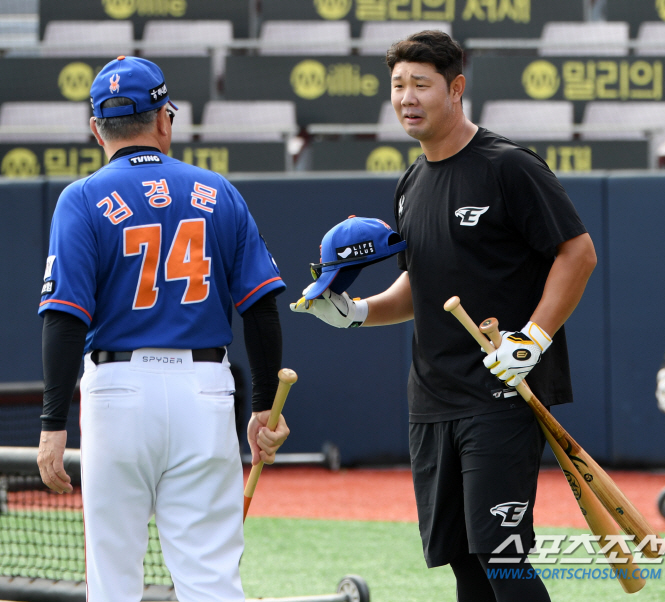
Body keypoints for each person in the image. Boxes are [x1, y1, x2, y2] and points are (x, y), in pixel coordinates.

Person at [291, 31, 597, 602]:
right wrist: (357, 312)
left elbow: (577, 253)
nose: (406, 97)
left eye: (420, 84)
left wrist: (532, 339)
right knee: (461, 560)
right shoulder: (411, 184)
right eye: (398, 86)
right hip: (432, 400)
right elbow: (419, 286)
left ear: (456, 89)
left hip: (503, 394)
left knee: (500, 556)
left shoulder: (510, 167)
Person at [36, 56, 290, 602]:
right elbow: (261, 306)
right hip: (204, 391)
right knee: (211, 578)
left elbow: (63, 316)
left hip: (117, 392)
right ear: (164, 119)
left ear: (95, 129)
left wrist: (52, 422)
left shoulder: (81, 199)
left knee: (113, 576)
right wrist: (266, 403)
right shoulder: (217, 190)